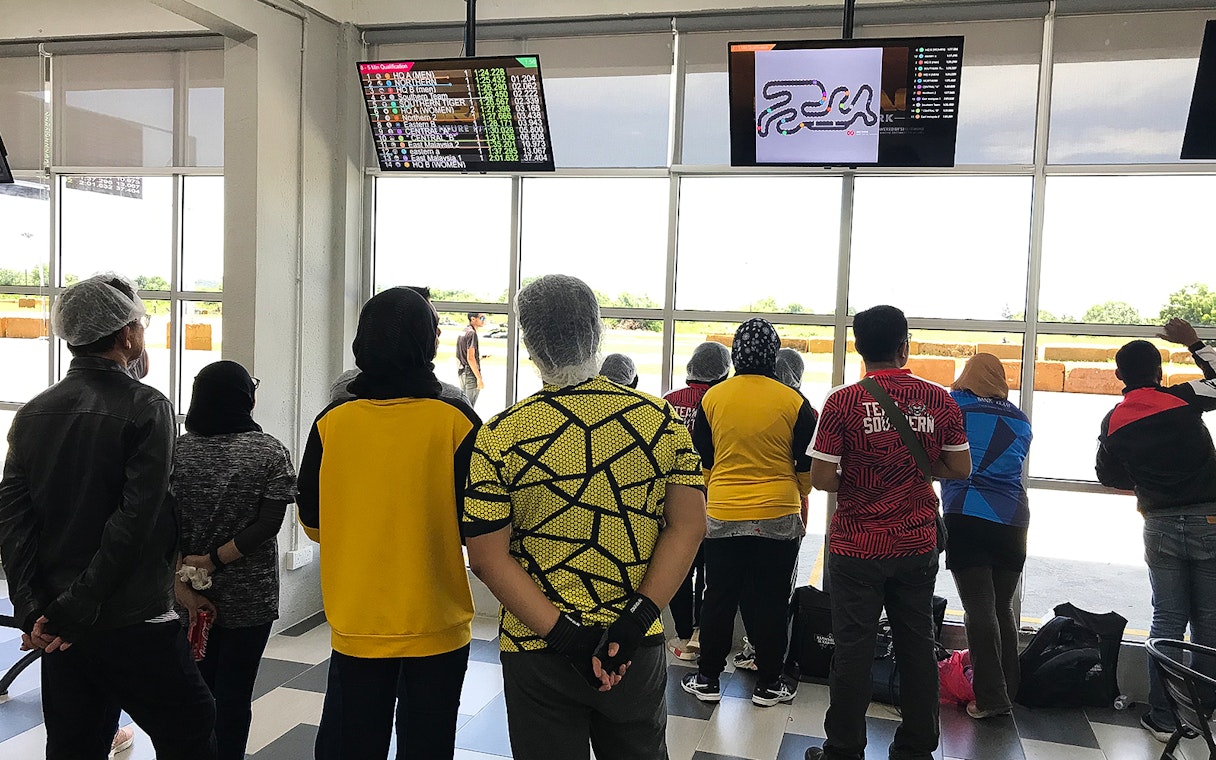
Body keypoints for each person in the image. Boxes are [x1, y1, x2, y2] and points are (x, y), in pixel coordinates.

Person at [462, 274, 706, 760]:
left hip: (537, 650)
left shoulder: (501, 435)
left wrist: (568, 639)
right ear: (595, 331)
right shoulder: (660, 422)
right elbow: (689, 526)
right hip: (635, 646)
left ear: (531, 343)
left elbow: (487, 558)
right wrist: (634, 623)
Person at [0, 273, 216, 760]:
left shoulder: (33, 412)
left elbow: (14, 522)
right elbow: (134, 523)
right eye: (140, 324)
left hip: (60, 627)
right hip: (131, 618)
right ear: (126, 336)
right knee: (192, 725)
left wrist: (35, 609)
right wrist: (73, 608)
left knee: (76, 742)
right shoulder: (147, 407)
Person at [298, 287, 480, 759]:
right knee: (428, 746)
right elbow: (476, 523)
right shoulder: (456, 421)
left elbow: (312, 522)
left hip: (357, 619)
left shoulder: (331, 422)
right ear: (429, 343)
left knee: (350, 744)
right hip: (436, 620)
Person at [804, 305, 970, 760]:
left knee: (853, 651)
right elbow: (960, 467)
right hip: (916, 544)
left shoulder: (842, 401)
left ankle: (843, 749)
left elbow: (820, 477)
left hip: (856, 546)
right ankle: (917, 747)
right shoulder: (940, 400)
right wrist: (906, 472)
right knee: (917, 646)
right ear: (905, 345)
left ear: (859, 347)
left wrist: (863, 476)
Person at [680, 318, 817, 707]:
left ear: (736, 352)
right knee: (772, 600)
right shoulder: (793, 401)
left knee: (718, 596)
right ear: (773, 353)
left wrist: (720, 487)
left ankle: (707, 678)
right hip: (778, 512)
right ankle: (769, 683)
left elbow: (703, 461)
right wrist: (795, 491)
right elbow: (806, 465)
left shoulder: (714, 398)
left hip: (723, 511)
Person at [1095, 318, 1216, 743]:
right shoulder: (1182, 399)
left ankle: (1164, 717)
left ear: (1119, 376)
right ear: (1158, 372)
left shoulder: (1115, 419)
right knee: (1210, 621)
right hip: (1209, 520)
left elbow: (1106, 475)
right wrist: (1194, 343)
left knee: (1167, 621)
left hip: (1159, 522)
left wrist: (1145, 481)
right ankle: (1202, 715)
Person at [174, 361, 297, 760]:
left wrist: (186, 573)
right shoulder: (269, 451)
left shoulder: (177, 451)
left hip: (185, 594)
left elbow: (159, 522)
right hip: (252, 596)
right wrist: (215, 560)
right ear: (247, 398)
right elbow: (268, 524)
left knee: (195, 691)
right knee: (235, 693)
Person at [940, 353, 1032, 720]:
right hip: (1013, 521)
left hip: (968, 513)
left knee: (978, 609)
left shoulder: (955, 405)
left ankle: (991, 699)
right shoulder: (1021, 418)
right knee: (1001, 608)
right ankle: (1008, 690)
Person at [662, 341, 732, 661]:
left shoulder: (668, 403)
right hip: (714, 497)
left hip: (674, 500)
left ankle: (683, 632)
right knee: (710, 570)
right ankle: (704, 632)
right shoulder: (722, 402)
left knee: (679, 566)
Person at [457, 311, 487, 407]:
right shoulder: (472, 333)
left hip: (462, 371)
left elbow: (462, 354)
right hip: (470, 373)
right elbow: (470, 358)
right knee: (469, 406)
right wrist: (479, 378)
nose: (484, 321)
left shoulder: (463, 331)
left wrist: (480, 358)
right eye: (482, 318)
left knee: (464, 403)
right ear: (473, 319)